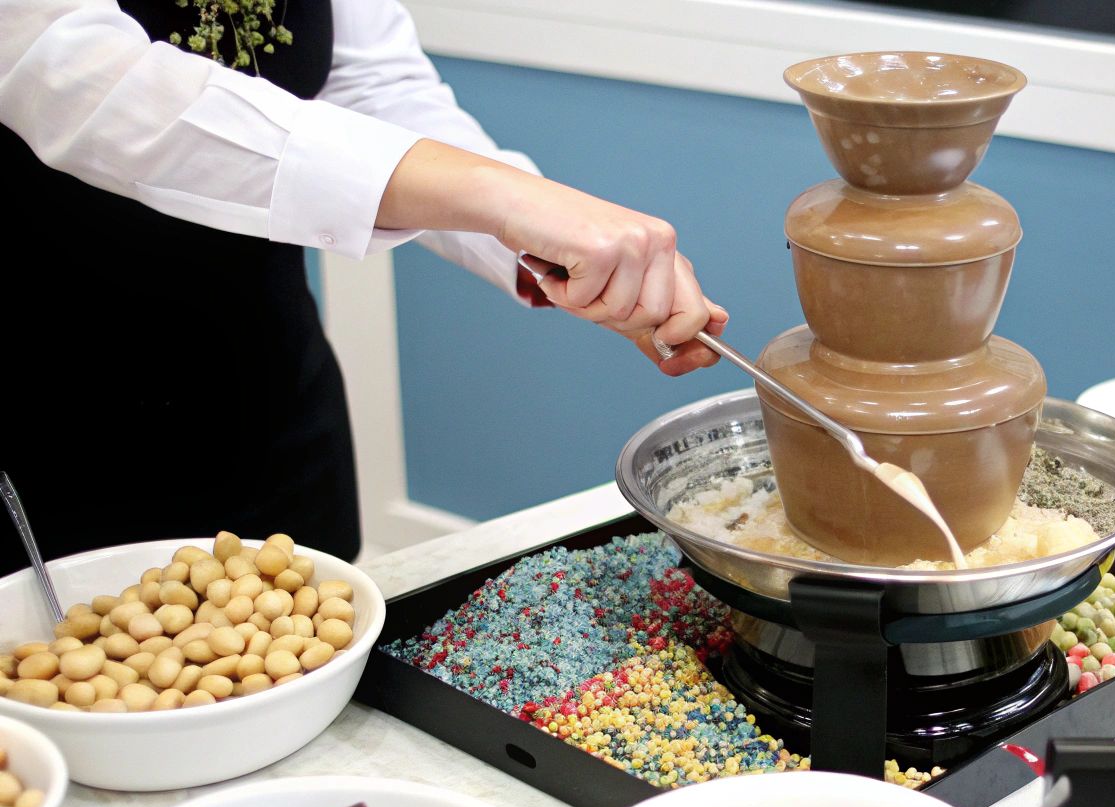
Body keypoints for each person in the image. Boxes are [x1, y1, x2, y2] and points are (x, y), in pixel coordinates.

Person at [0, 1, 723, 574]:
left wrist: (544, 246)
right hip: (49, 420)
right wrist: (500, 198)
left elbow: (371, 85)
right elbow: (78, 79)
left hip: (266, 381)